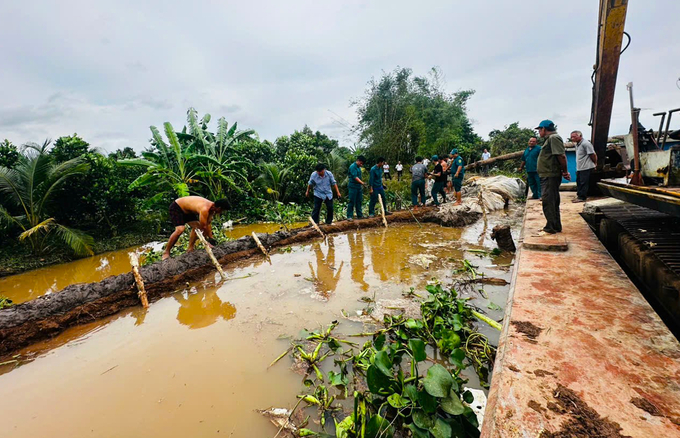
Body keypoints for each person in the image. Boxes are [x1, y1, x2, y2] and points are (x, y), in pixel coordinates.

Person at [163, 196, 229, 260]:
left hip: (188, 210)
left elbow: (208, 224)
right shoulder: (205, 209)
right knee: (180, 229)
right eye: (222, 210)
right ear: (219, 208)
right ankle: (166, 252)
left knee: (197, 227)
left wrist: (211, 239)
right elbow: (203, 227)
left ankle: (190, 249)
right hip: (177, 207)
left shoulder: (212, 209)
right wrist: (206, 242)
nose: (221, 212)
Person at [536, 120, 570, 234]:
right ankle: (555, 225)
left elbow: (561, 156)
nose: (539, 132)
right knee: (552, 200)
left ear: (544, 129)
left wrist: (565, 171)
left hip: (550, 175)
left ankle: (550, 227)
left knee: (548, 201)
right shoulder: (550, 139)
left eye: (539, 130)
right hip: (548, 175)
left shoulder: (553, 138)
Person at [570, 130, 597, 203]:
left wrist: (595, 163)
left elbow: (592, 154)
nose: (572, 138)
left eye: (574, 137)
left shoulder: (586, 144)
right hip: (580, 167)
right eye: (571, 137)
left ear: (580, 136)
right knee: (578, 182)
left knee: (583, 182)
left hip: (586, 167)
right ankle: (579, 196)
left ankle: (582, 197)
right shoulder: (577, 144)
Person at [347, 155, 366, 220]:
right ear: (358, 161)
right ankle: (349, 216)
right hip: (353, 186)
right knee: (352, 201)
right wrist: (362, 183)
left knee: (359, 201)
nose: (361, 165)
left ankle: (359, 215)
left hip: (358, 187)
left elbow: (359, 177)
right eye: (361, 163)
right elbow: (355, 177)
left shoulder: (358, 167)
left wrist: (361, 184)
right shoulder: (353, 167)